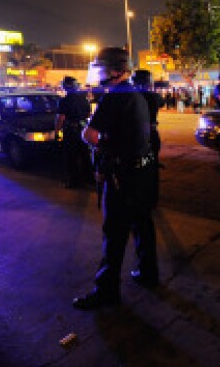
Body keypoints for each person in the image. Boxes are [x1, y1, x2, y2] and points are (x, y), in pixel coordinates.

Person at [73, 47, 158, 310]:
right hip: (143, 174)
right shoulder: (138, 94)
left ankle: (106, 291)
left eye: (102, 68)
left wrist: (102, 149)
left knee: (114, 234)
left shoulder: (114, 98)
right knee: (143, 225)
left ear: (115, 70)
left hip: (123, 177)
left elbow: (89, 135)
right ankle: (148, 273)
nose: (99, 73)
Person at [133, 70, 163, 209]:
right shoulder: (154, 97)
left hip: (137, 136)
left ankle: (140, 198)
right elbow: (161, 103)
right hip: (152, 134)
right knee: (153, 166)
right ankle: (153, 199)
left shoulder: (133, 97)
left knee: (137, 168)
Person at [54, 76, 91, 189]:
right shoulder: (84, 99)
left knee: (71, 157)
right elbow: (88, 114)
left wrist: (57, 132)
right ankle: (89, 179)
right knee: (85, 156)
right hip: (83, 130)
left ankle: (74, 182)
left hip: (71, 131)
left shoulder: (64, 101)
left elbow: (61, 118)